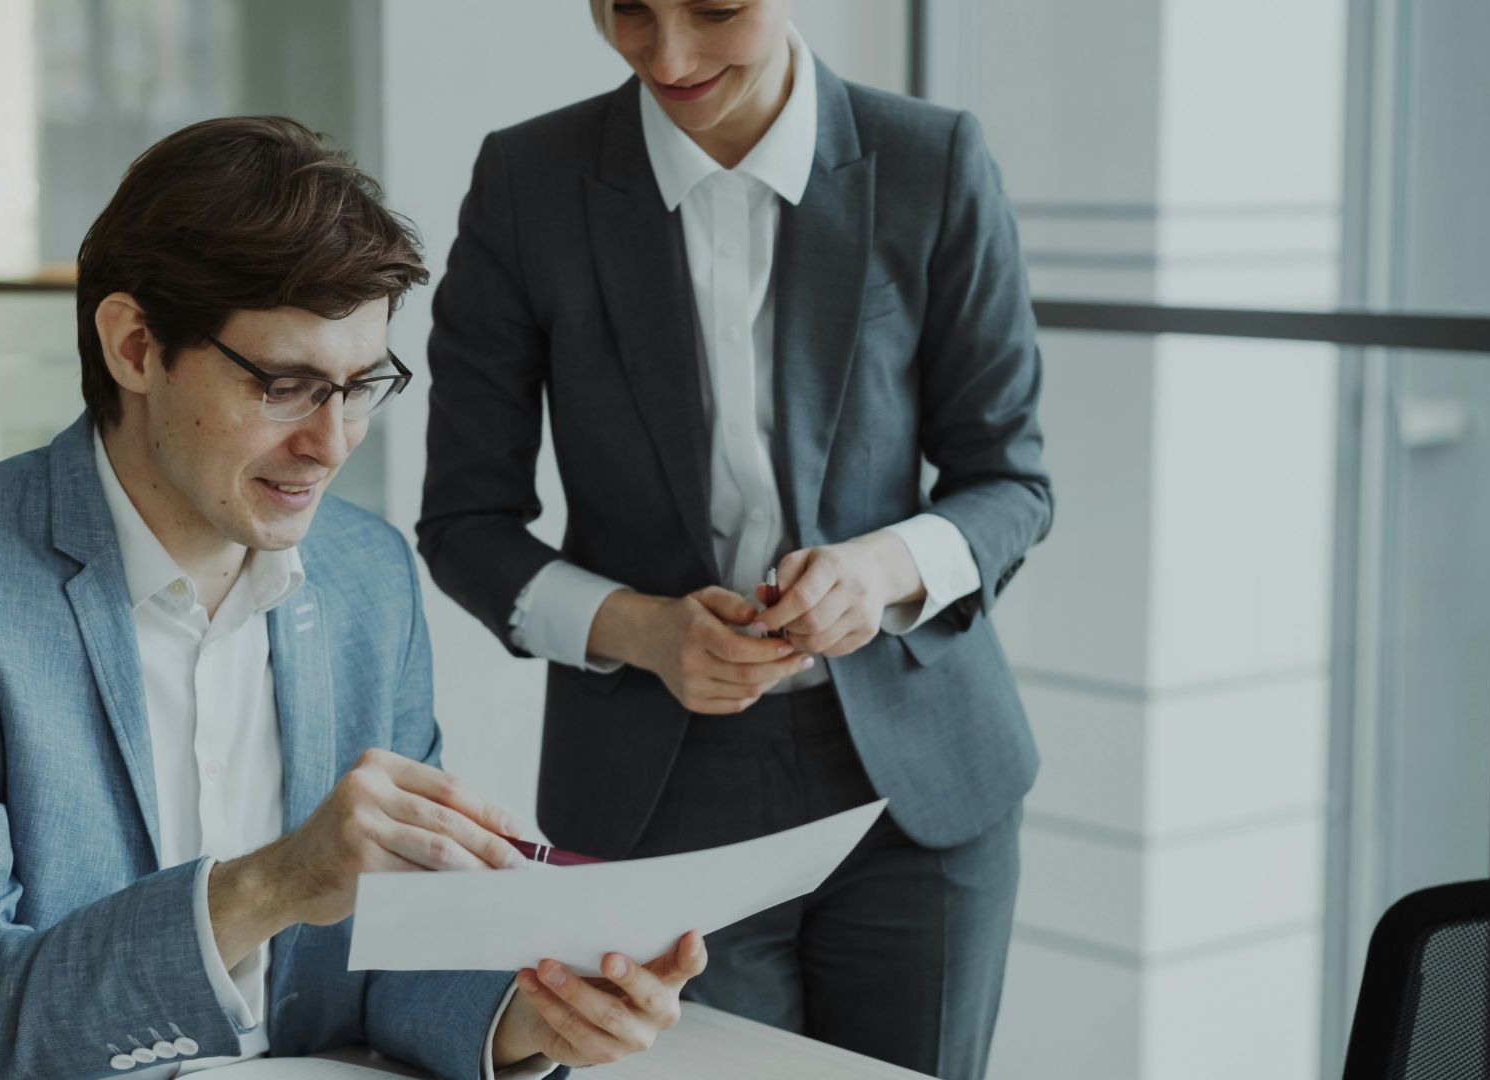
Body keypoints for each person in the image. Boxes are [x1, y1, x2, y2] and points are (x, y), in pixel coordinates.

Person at [0, 116, 701, 1080]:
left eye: (362, 386)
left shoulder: (366, 573)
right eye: (285, 385)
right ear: (135, 347)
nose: (334, 442)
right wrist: (275, 884)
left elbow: (389, 953)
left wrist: (530, 1018)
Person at [418, 3, 1052, 1077]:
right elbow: (465, 523)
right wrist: (641, 630)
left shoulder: (933, 161)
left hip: (923, 793)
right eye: (628, 8)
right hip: (657, 800)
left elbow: (1010, 482)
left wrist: (882, 569)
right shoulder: (529, 182)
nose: (667, 56)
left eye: (715, 8)